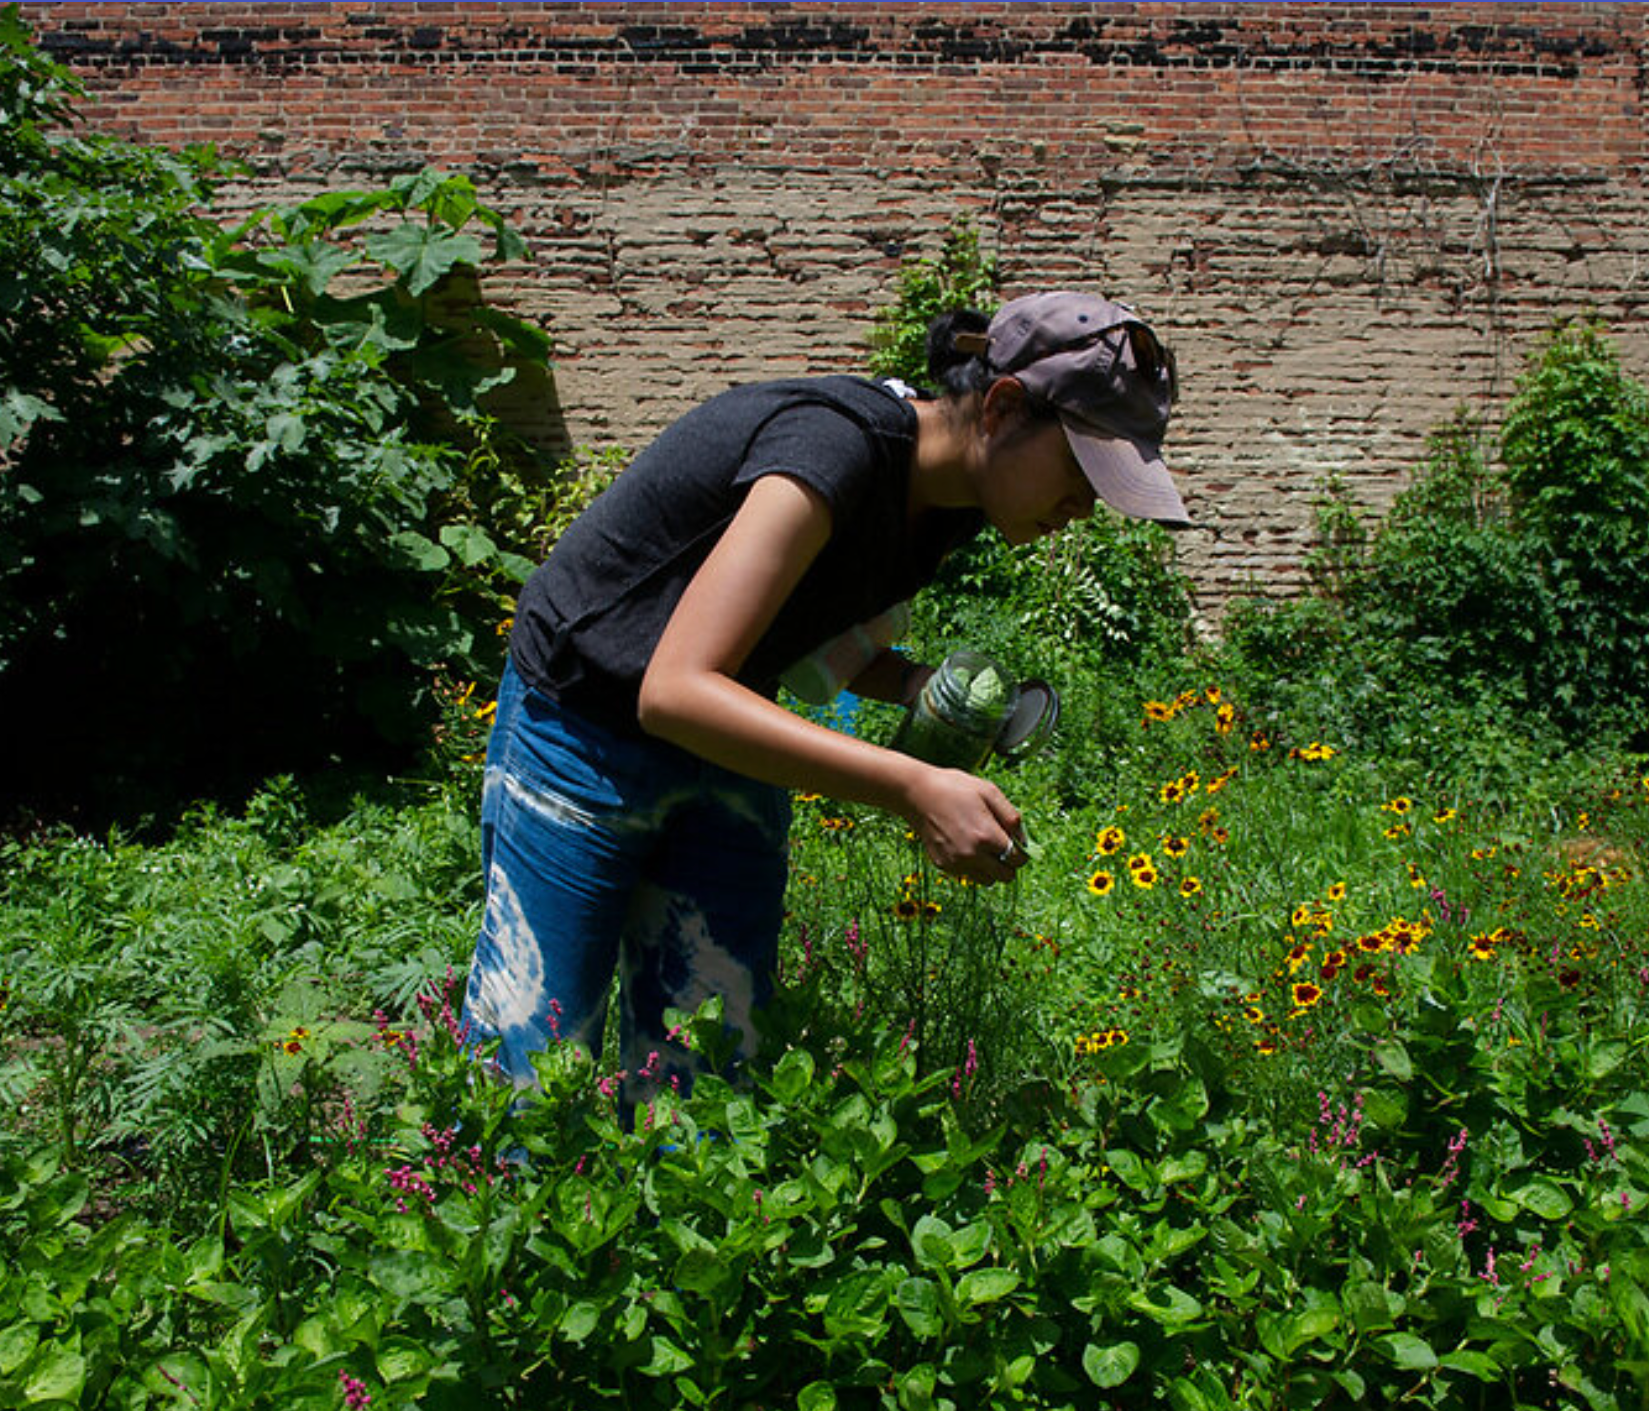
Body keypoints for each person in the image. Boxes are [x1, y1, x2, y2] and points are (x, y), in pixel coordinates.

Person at [460, 290, 1191, 1095]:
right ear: (1004, 407)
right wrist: (911, 785)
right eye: (1083, 469)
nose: (1086, 506)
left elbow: (801, 616)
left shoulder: (956, 501)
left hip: (731, 733)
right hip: (584, 727)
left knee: (707, 1080)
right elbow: (672, 688)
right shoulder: (832, 447)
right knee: (527, 1069)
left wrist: (908, 683)